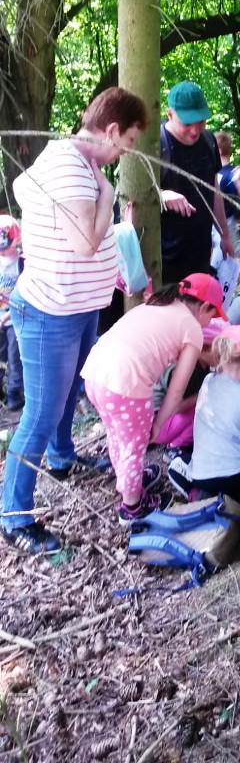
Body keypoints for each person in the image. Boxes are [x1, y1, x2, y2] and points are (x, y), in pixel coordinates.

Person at [1, 88, 148, 555]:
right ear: (111, 130)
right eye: (128, 141)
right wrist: (108, 194)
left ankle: (62, 456)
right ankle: (13, 515)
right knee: (41, 413)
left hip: (78, 306)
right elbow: (86, 241)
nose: (126, 151)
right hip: (50, 312)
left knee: (68, 394)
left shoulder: (81, 164)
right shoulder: (70, 167)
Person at [81, 274, 227, 525]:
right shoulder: (192, 328)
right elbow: (177, 391)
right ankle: (133, 507)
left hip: (95, 374)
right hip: (127, 384)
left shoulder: (157, 303)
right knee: (134, 447)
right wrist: (158, 424)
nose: (209, 322)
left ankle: (128, 481)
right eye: (212, 315)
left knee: (118, 435)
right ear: (204, 306)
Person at [168, 324, 240, 502]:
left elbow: (223, 409)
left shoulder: (207, 381)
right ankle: (229, 496)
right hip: (239, 477)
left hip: (202, 478)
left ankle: (197, 494)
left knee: (175, 464)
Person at [160, 81, 234, 283]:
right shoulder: (157, 144)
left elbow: (214, 189)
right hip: (165, 259)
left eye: (201, 122)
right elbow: (134, 198)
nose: (195, 131)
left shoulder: (208, 141)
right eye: (187, 124)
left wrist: (225, 234)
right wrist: (161, 195)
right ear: (170, 114)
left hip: (201, 252)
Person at [152, 317, 227, 455]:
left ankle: (177, 443)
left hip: (163, 422)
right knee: (207, 409)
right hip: (158, 426)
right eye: (220, 353)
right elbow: (176, 408)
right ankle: (177, 446)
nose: (224, 358)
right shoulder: (188, 370)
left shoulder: (200, 364)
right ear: (204, 349)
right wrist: (202, 394)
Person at [0, 216, 24, 410]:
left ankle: (14, 394)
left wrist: (8, 315)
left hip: (15, 317)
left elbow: (26, 292)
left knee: (15, 357)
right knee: (1, 357)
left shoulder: (22, 262)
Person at [214, 131, 240, 245]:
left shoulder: (231, 173)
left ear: (219, 151)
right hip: (214, 223)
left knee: (227, 254)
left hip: (225, 223)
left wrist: (237, 180)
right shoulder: (214, 170)